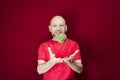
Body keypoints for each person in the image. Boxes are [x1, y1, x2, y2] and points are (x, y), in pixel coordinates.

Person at [37, 15, 83, 80]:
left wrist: (72, 64)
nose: (58, 28)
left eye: (61, 25)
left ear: (66, 28)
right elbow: (39, 70)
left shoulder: (74, 45)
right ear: (50, 28)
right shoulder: (43, 46)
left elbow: (80, 70)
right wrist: (51, 62)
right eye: (55, 26)